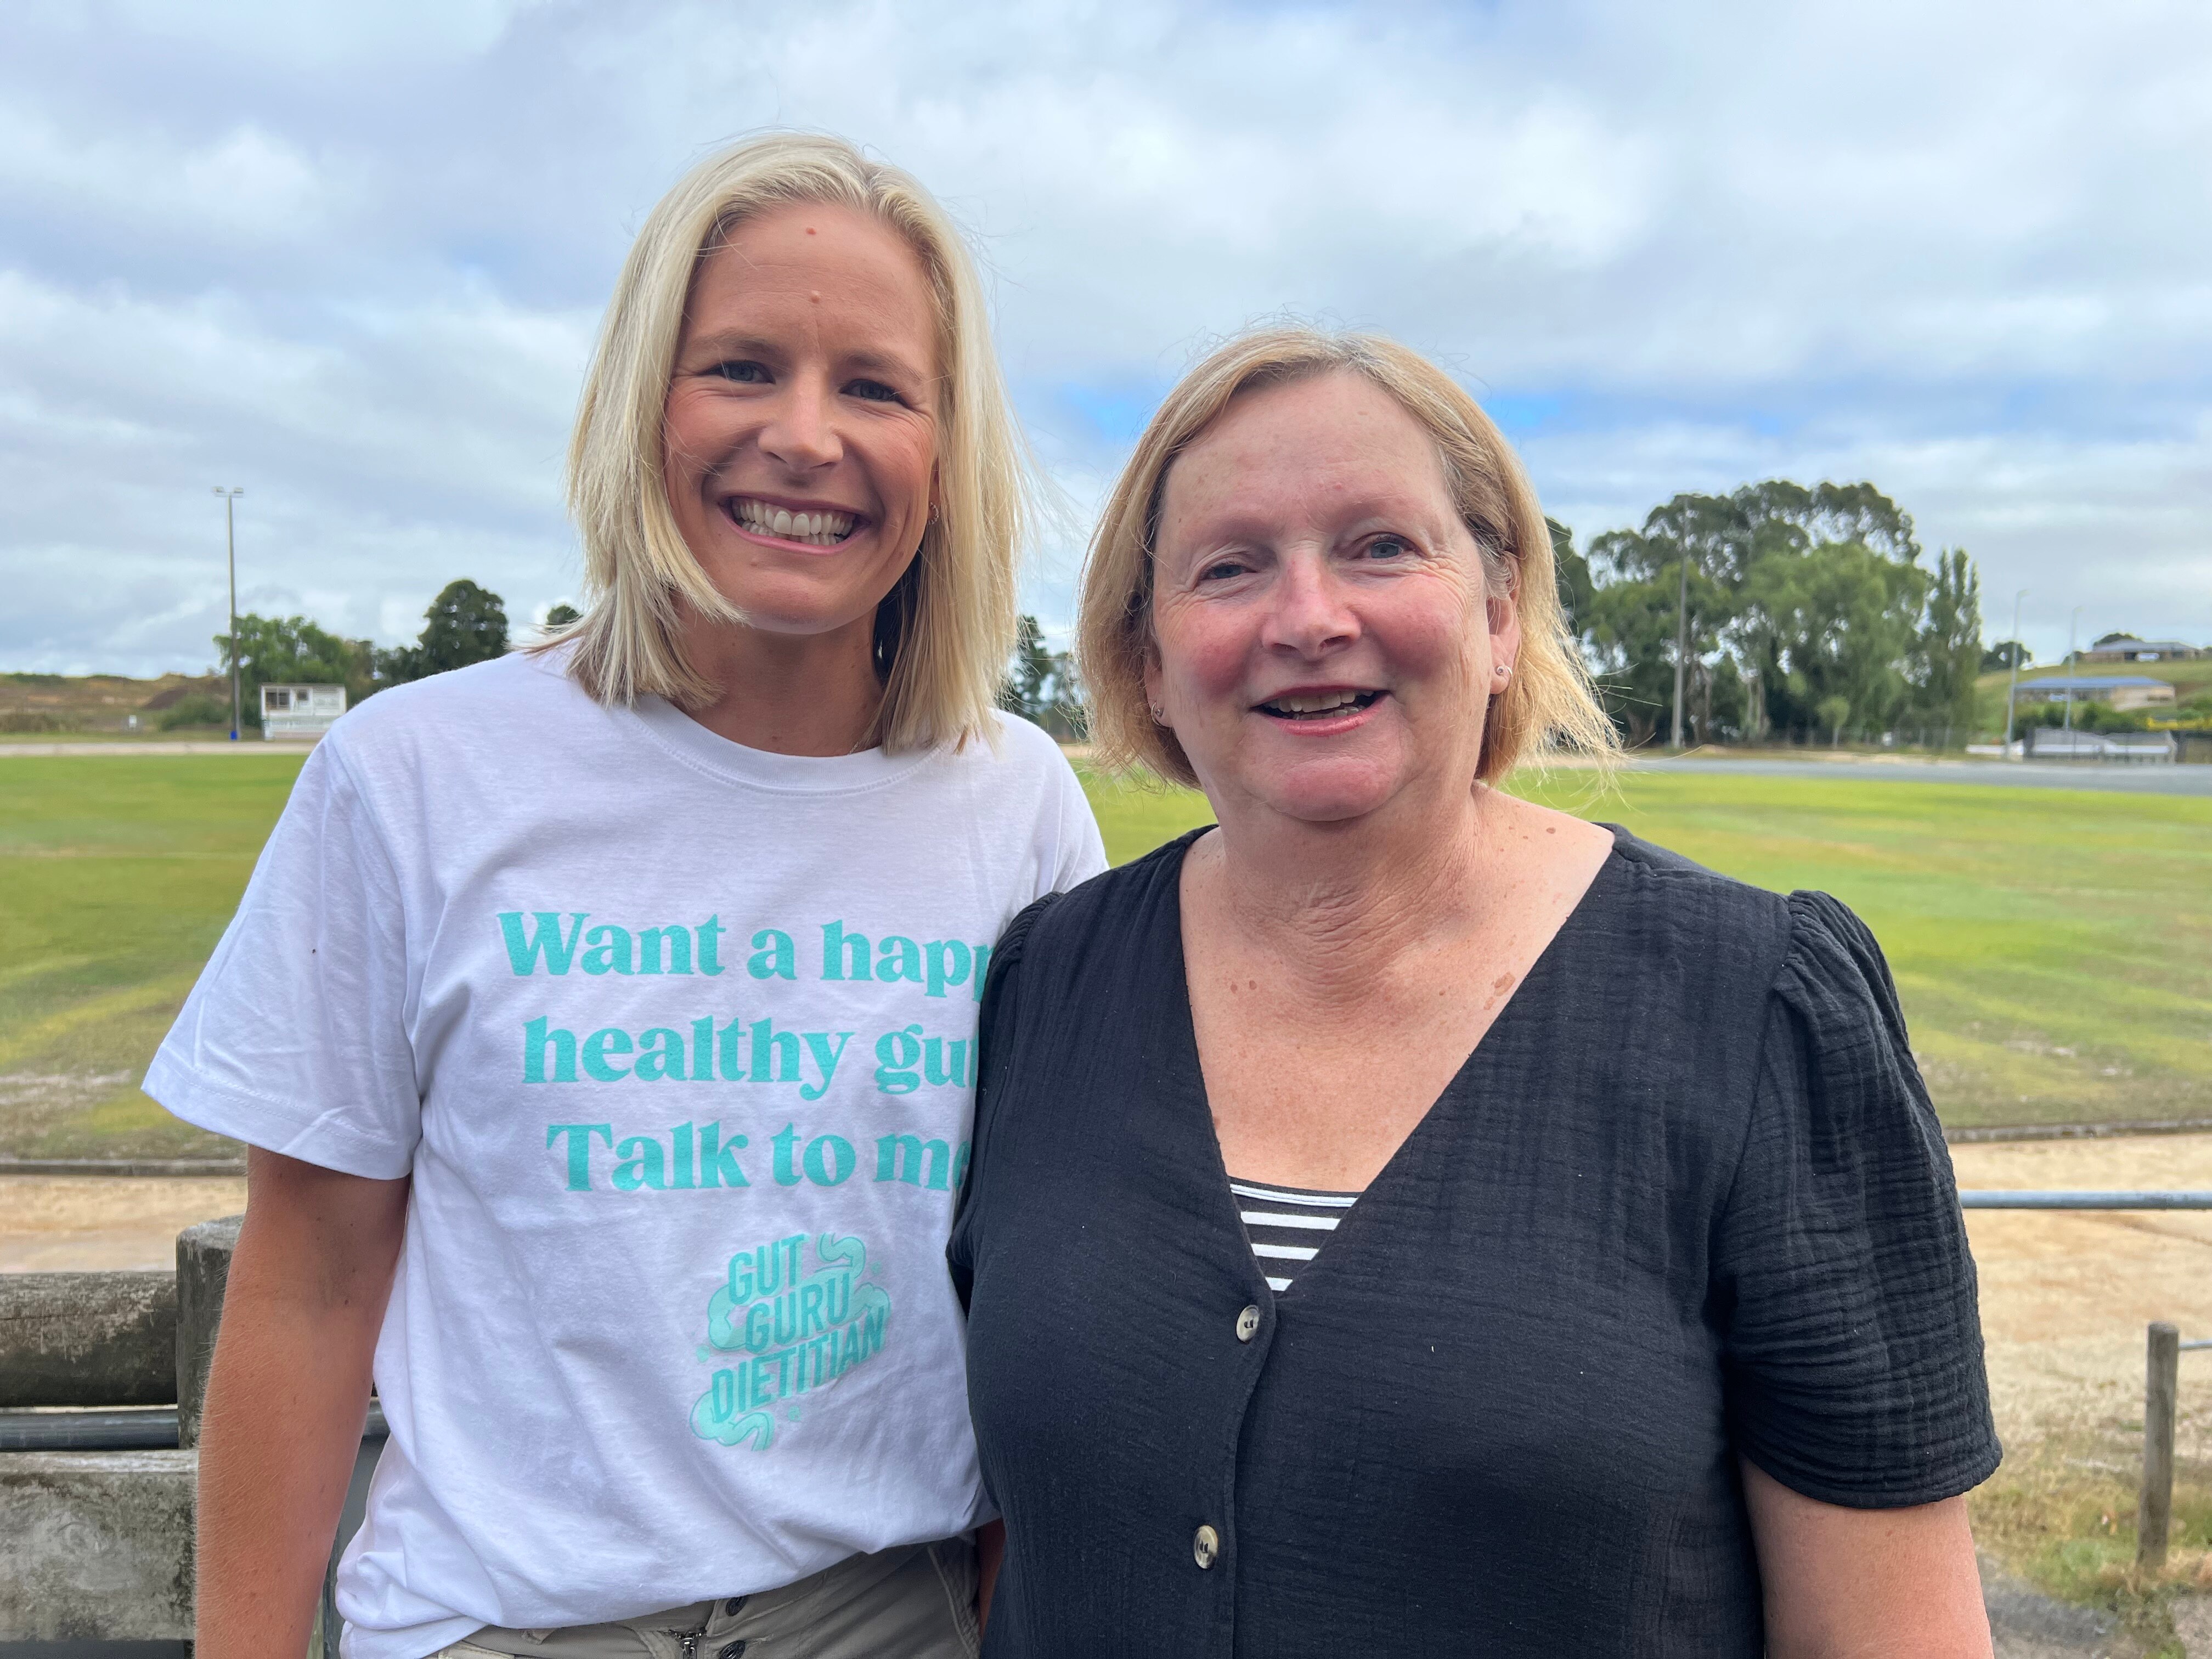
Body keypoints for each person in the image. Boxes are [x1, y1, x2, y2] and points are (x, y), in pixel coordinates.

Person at [149, 133, 1104, 1659]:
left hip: (884, 1611)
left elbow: (1042, 1269)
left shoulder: (1018, 804)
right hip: (500, 1621)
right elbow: (313, 1285)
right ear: (639, 402)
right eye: (737, 368)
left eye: (874, 386)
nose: (804, 437)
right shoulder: (412, 774)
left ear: (949, 446)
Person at [950, 328, 1999, 1656]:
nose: (1310, 617)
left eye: (1382, 546)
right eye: (1230, 567)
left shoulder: (1761, 1016)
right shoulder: (1048, 984)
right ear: (1148, 660)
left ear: (1500, 616)